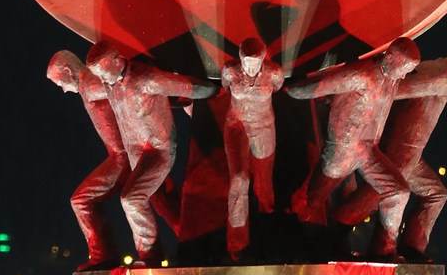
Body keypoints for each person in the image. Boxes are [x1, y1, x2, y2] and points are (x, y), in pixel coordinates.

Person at [333, 42, 447, 255]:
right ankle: (338, 236)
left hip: (412, 153)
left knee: (435, 194)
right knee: (374, 197)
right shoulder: (442, 77)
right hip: (402, 151)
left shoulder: (433, 68)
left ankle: (410, 248)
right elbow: (398, 90)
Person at [288, 38, 422, 255]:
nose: (405, 76)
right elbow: (318, 86)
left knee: (399, 191)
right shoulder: (361, 75)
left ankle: (384, 249)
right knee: (312, 200)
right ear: (391, 58)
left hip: (368, 151)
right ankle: (293, 237)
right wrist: (290, 89)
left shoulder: (392, 79)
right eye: (404, 70)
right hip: (343, 151)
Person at [84, 43, 214, 263]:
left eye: (104, 73)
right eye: (99, 76)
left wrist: (218, 89)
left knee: (131, 199)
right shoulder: (110, 84)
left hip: (158, 152)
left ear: (117, 60)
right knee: (163, 202)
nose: (103, 79)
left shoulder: (146, 78)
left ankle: (150, 254)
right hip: (137, 156)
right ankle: (195, 245)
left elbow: (191, 87)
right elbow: (89, 89)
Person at [47, 50, 128, 268]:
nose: (63, 89)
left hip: (122, 156)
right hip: (125, 154)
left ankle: (103, 256)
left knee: (81, 200)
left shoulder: (90, 84)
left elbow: (122, 89)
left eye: (60, 83)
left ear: (67, 71)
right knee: (163, 202)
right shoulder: (90, 84)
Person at [219, 38, 285, 258]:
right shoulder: (230, 70)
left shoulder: (274, 72)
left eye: (255, 62)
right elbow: (226, 87)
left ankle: (267, 215)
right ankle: (237, 239)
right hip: (236, 125)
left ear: (263, 59)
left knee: (264, 178)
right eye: (246, 61)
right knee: (239, 178)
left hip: (264, 126)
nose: (249, 67)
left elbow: (278, 87)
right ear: (240, 58)